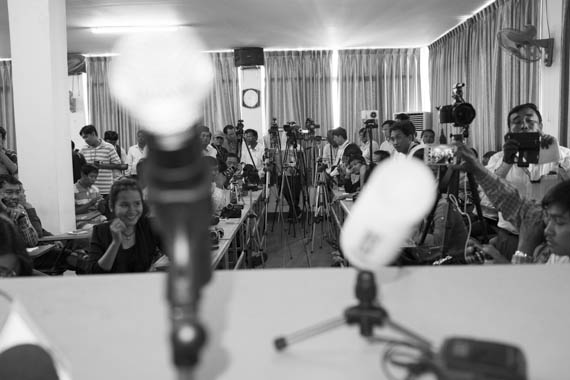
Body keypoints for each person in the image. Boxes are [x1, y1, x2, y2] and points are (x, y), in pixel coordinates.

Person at [457, 143, 570, 263]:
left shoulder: (562, 157)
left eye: (559, 222)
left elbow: (527, 282)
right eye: (549, 219)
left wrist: (523, 252)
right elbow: (512, 202)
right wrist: (477, 169)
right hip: (507, 235)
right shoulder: (549, 239)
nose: (547, 230)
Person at [484, 103, 570, 260]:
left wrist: (557, 158)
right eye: (516, 122)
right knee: (509, 282)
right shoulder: (497, 159)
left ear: (541, 126)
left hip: (553, 238)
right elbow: (486, 200)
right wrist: (506, 163)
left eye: (530, 121)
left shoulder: (563, 155)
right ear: (509, 129)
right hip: (511, 236)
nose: (524, 125)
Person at [83, 178, 161, 274]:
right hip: (110, 287)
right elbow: (94, 272)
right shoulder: (100, 231)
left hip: (141, 287)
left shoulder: (149, 227)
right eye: (125, 205)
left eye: (137, 203)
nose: (132, 210)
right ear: (112, 206)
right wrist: (115, 243)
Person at [79, 125, 125, 198]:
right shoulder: (84, 149)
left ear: (93, 134)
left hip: (105, 189)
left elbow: (118, 165)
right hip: (90, 189)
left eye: (86, 137)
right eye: (83, 138)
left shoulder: (109, 147)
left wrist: (102, 166)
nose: (85, 140)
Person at [0, 175, 38, 247]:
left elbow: (32, 243)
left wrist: (22, 219)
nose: (15, 197)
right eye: (9, 192)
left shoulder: (19, 208)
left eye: (17, 192)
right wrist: (5, 211)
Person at [74, 164, 107, 229]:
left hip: (98, 218)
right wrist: (90, 203)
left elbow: (102, 211)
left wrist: (102, 204)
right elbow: (74, 212)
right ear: (83, 175)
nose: (94, 179)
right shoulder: (73, 190)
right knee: (94, 231)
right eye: (91, 176)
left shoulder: (95, 189)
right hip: (82, 221)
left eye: (95, 177)